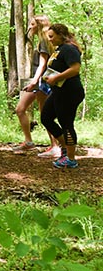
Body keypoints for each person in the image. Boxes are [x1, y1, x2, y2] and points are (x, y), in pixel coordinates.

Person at [14, 14, 59, 157]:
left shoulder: (45, 40)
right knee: (20, 109)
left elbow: (42, 64)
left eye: (32, 24)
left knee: (44, 113)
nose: (29, 27)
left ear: (39, 25)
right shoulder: (44, 40)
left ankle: (55, 146)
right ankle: (29, 142)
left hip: (42, 82)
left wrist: (34, 81)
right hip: (38, 81)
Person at [40, 24, 85, 168]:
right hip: (58, 91)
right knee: (46, 117)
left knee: (66, 123)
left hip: (69, 91)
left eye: (52, 36)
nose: (50, 39)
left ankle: (71, 158)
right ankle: (65, 148)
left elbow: (75, 69)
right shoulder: (59, 50)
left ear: (61, 35)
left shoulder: (69, 48)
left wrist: (56, 77)